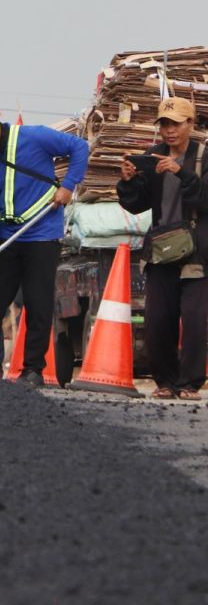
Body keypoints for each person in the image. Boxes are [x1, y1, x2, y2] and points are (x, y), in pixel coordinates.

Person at [0, 104, 88, 386]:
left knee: (38, 303)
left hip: (42, 234)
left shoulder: (34, 137)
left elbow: (79, 147)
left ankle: (33, 370)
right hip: (7, 239)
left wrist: (68, 185)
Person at [117, 96, 207, 400]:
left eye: (176, 124)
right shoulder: (153, 155)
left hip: (197, 253)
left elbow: (204, 199)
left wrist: (180, 172)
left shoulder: (203, 156)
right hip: (161, 250)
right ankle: (166, 382)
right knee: (157, 320)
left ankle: (190, 383)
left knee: (194, 321)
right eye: (165, 124)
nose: (170, 130)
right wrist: (128, 182)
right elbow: (138, 204)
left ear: (190, 124)